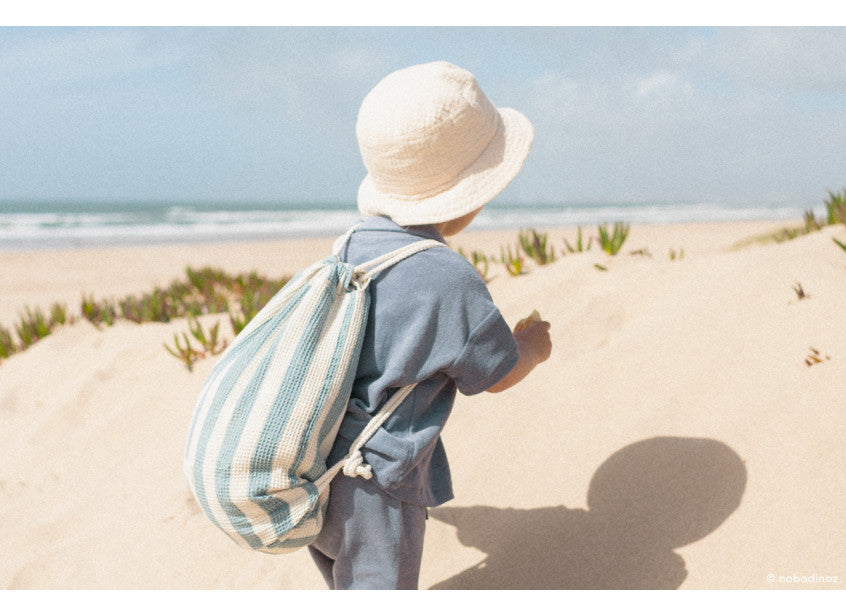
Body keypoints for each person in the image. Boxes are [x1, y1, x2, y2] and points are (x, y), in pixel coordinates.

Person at [307, 61, 552, 590]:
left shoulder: (351, 246)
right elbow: (497, 373)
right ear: (469, 193)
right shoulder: (448, 278)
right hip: (376, 483)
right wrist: (531, 346)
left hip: (317, 468)